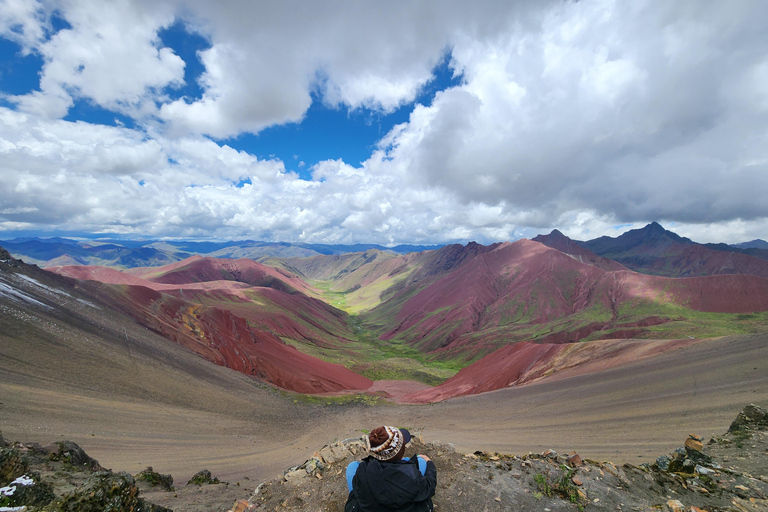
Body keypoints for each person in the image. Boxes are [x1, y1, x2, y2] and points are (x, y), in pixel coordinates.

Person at [344, 426, 437, 512]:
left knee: (352, 467)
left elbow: (358, 489)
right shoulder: (413, 477)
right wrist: (429, 463)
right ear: (401, 451)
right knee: (421, 461)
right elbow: (429, 487)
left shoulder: (363, 469)